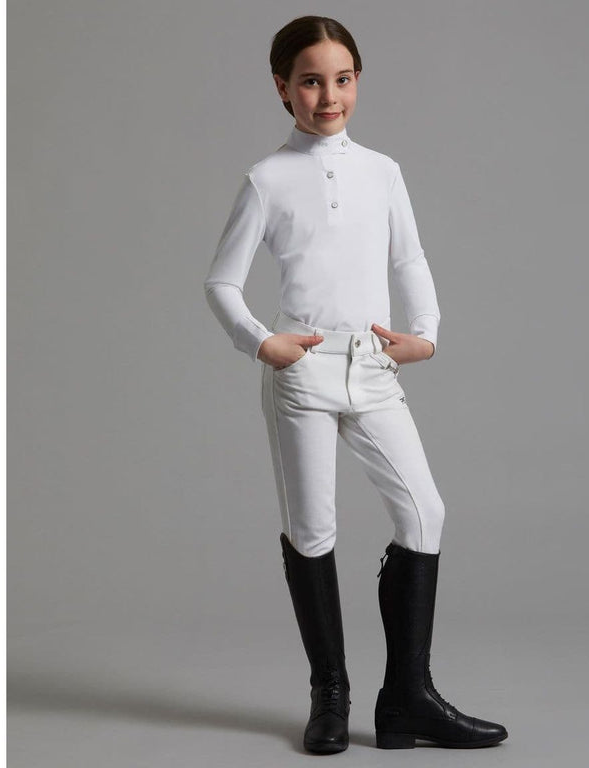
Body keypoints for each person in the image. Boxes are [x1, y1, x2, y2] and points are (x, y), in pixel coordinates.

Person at [202, 15, 508, 754]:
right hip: (302, 372)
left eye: (342, 79)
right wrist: (262, 342)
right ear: (283, 88)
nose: (328, 96)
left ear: (358, 81)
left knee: (425, 512)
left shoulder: (382, 171)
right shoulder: (268, 179)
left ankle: (408, 697)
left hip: (373, 367)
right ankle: (329, 694)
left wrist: (425, 331)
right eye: (310, 81)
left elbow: (409, 258)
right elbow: (221, 282)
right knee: (313, 531)